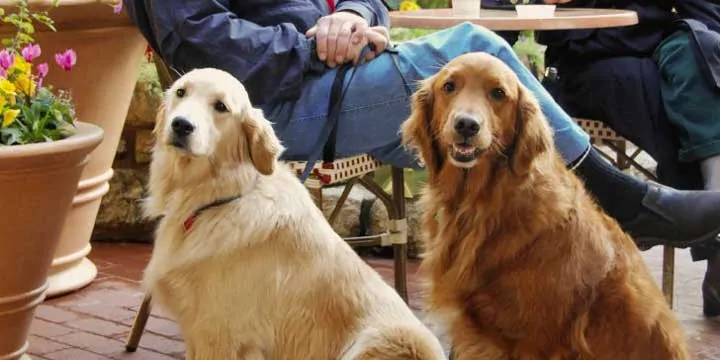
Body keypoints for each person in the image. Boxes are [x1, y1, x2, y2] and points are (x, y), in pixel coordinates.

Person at [123, 0, 720, 310]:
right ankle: (620, 198)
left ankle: (489, 323)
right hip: (266, 116)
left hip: (335, 88)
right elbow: (198, 33)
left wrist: (354, 17)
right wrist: (316, 46)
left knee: (491, 151)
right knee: (469, 47)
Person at [532, 0, 720, 316]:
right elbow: (498, 12)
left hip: (661, 49)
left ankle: (711, 217)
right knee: (678, 97)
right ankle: (713, 229)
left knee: (702, 54)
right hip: (591, 61)